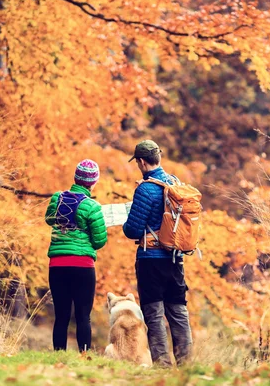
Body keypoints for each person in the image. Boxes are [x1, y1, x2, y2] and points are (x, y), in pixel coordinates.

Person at [122, 140, 193, 367]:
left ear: (141, 162)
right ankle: (186, 365)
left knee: (154, 314)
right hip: (175, 258)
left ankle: (163, 367)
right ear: (159, 158)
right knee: (178, 312)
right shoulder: (174, 183)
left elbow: (132, 229)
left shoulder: (145, 189)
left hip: (150, 260)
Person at [45, 159, 107, 352]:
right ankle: (84, 356)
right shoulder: (92, 206)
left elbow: (48, 219)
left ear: (75, 178)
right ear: (93, 183)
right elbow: (99, 242)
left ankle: (58, 357)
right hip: (82, 266)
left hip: (57, 265)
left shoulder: (57, 198)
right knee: (83, 316)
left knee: (61, 316)